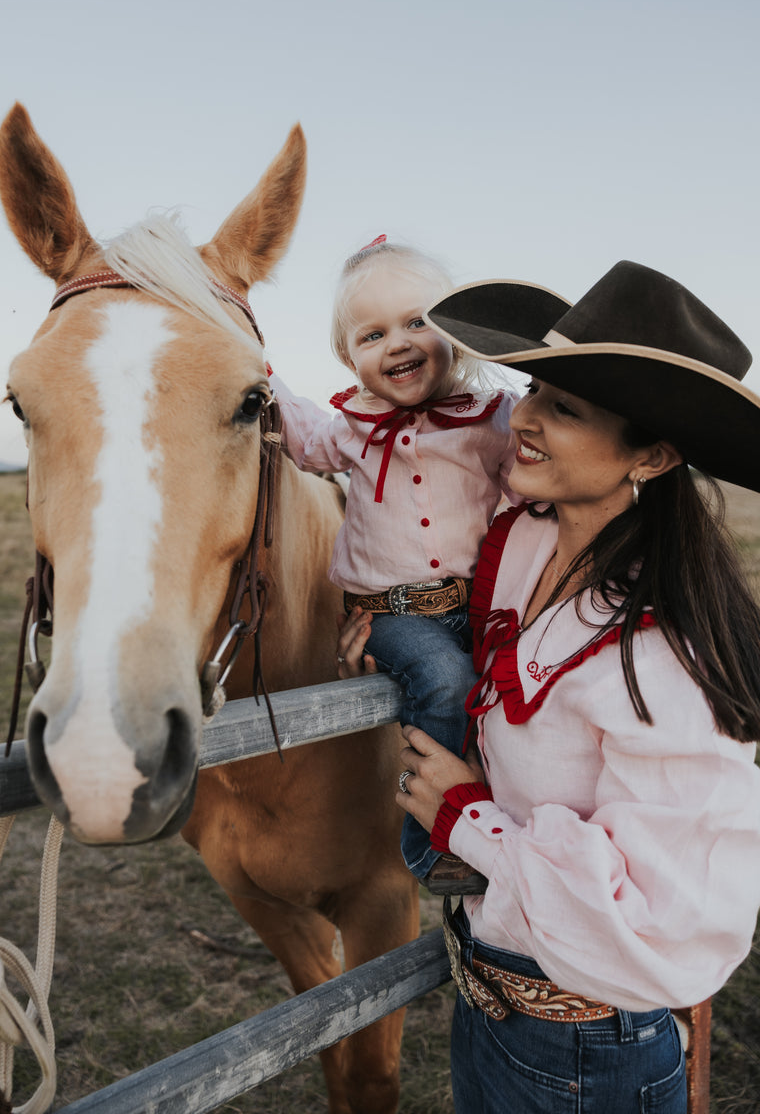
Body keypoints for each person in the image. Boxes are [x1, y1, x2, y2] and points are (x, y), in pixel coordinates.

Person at [338, 260, 760, 1113]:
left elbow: (661, 920)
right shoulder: (523, 544)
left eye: (562, 410)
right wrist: (388, 628)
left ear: (653, 453)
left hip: (589, 1050)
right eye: (532, 390)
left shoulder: (666, 655)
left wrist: (469, 816)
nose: (521, 419)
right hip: (491, 1000)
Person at [269, 235, 533, 889]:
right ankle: (433, 842)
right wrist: (256, 368)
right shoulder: (351, 428)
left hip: (474, 603)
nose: (400, 342)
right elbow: (301, 440)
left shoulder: (494, 419)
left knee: (511, 683)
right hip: (389, 614)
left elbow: (532, 485)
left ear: (458, 331)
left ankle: (511, 815)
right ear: (349, 357)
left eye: (419, 321)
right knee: (446, 677)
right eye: (373, 334)